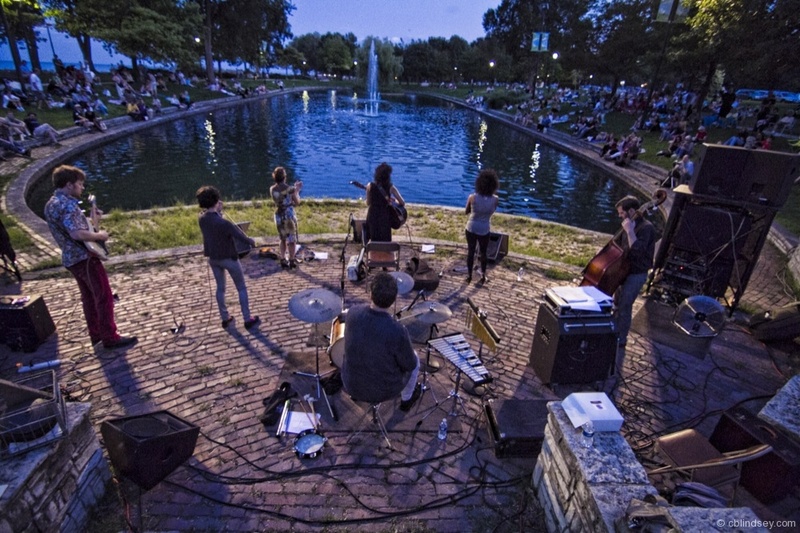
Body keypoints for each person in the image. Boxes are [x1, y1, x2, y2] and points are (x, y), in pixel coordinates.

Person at [43, 165, 137, 349]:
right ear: (69, 185)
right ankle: (110, 337)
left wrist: (95, 222)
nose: (82, 188)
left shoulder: (51, 204)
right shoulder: (68, 205)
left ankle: (97, 335)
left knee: (89, 298)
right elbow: (77, 234)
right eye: (79, 184)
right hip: (84, 258)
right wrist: (100, 235)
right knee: (103, 296)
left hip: (71, 258)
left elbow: (80, 229)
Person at [342, 272, 422, 411]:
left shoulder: (352, 313)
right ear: (394, 299)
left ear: (371, 293)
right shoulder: (397, 330)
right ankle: (406, 400)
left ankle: (357, 394)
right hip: (383, 390)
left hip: (350, 382)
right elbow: (409, 364)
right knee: (416, 361)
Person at [196, 185, 260, 330]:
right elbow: (241, 237)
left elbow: (213, 221)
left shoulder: (202, 219)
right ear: (216, 200)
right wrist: (252, 242)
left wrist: (218, 212)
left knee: (220, 288)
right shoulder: (224, 223)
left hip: (213, 258)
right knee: (241, 288)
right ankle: (247, 318)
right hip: (229, 259)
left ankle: (225, 318)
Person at [613, 196, 657, 350]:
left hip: (636, 273)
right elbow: (618, 247)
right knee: (616, 303)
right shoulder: (627, 224)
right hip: (623, 270)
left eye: (622, 213)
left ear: (631, 211)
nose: (620, 216)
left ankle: (621, 339)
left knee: (625, 305)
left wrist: (630, 231)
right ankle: (611, 331)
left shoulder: (646, 228)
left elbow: (637, 250)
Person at [464, 169, 500, 284]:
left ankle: (469, 276)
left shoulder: (472, 197)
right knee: (483, 253)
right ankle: (483, 276)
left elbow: (467, 211)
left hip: (472, 227)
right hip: (484, 228)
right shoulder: (495, 199)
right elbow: (492, 211)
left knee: (471, 251)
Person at [269, 166, 302, 268]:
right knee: (292, 240)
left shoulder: (272, 189)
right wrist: (297, 191)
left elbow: (279, 199)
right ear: (284, 177)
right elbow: (297, 202)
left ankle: (283, 259)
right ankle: (292, 260)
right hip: (288, 216)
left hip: (278, 215)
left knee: (282, 238)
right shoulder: (290, 189)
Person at [365, 162, 405, 242]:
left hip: (373, 215)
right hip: (385, 216)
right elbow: (402, 202)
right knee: (385, 240)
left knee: (373, 238)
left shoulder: (370, 185)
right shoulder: (391, 187)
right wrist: (394, 201)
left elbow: (368, 203)